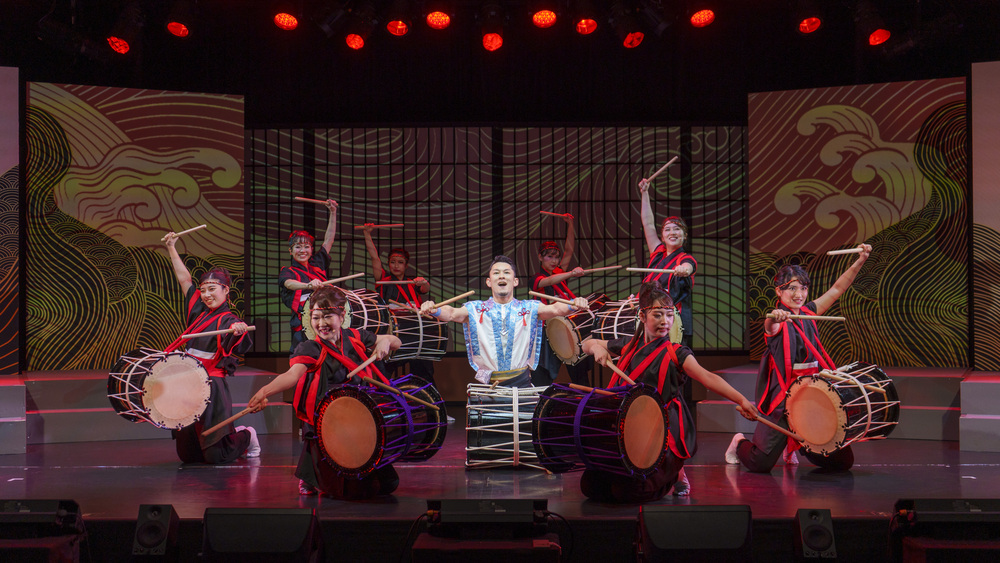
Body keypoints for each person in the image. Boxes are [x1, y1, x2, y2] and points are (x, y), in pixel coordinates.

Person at [580, 282, 758, 503]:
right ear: (642, 316)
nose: (665, 321)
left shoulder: (677, 353)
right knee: (591, 486)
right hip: (631, 427)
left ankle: (674, 473)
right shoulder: (628, 346)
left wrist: (741, 399)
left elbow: (708, 378)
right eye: (657, 315)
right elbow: (587, 344)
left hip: (661, 430)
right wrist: (596, 347)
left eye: (669, 315)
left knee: (628, 493)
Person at [725, 244, 873, 473]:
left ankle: (797, 442)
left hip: (810, 394)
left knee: (842, 462)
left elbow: (837, 289)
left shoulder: (809, 313)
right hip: (784, 396)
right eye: (791, 288)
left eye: (803, 288)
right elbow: (769, 326)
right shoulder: (777, 320)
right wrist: (775, 317)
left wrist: (861, 260)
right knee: (759, 463)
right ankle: (739, 441)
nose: (799, 294)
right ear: (779, 292)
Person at [248, 286, 402, 499]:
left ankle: (314, 474)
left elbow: (396, 342)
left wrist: (385, 340)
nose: (321, 324)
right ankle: (312, 476)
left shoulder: (355, 337)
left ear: (342, 316)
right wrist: (265, 391)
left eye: (327, 316)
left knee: (387, 484)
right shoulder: (310, 348)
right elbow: (292, 376)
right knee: (352, 491)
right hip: (326, 418)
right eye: (316, 318)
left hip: (356, 416)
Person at [418, 255, 588, 388]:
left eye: (507, 272)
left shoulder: (528, 308)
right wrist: (434, 309)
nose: (501, 276)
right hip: (490, 385)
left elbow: (556, 309)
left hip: (521, 382)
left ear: (515, 281)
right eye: (496, 273)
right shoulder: (476, 309)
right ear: (488, 281)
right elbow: (452, 313)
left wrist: (573, 305)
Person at [163, 232, 256, 464]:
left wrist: (238, 329)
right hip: (188, 384)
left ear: (226, 290)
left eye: (212, 289)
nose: (206, 295)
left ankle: (247, 436)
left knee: (217, 456)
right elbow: (184, 280)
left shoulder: (228, 320)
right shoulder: (198, 311)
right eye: (203, 290)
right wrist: (171, 247)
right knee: (188, 456)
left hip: (211, 385)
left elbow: (236, 335)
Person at [361, 223, 435, 383]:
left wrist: (423, 282)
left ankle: (423, 391)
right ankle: (387, 393)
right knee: (385, 370)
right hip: (392, 331)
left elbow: (425, 288)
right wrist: (367, 234)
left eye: (400, 262)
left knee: (423, 369)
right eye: (393, 262)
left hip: (414, 331)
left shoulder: (413, 282)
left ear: (406, 265)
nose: (396, 265)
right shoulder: (383, 280)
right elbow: (374, 257)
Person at [530, 213, 592, 387]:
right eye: (549, 256)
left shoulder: (560, 273)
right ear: (540, 257)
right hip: (546, 331)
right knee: (543, 374)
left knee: (578, 371)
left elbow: (569, 250)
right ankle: (540, 399)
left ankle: (584, 399)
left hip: (566, 327)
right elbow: (549, 281)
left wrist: (570, 224)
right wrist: (571, 273)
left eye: (556, 257)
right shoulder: (536, 278)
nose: (554, 260)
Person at [638, 177, 696, 348]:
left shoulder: (684, 258)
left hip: (674, 321)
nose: (672, 232)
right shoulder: (657, 254)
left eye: (677, 229)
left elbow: (689, 267)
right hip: (652, 320)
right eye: (668, 229)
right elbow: (648, 224)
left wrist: (683, 270)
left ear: (684, 236)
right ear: (662, 237)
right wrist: (644, 192)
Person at [278, 199, 338, 356]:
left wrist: (333, 212)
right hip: (303, 324)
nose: (302, 250)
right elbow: (289, 284)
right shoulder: (288, 271)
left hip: (326, 321)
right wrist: (307, 285)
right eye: (298, 247)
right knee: (303, 358)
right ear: (290, 251)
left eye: (306, 247)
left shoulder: (317, 263)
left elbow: (329, 240)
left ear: (311, 249)